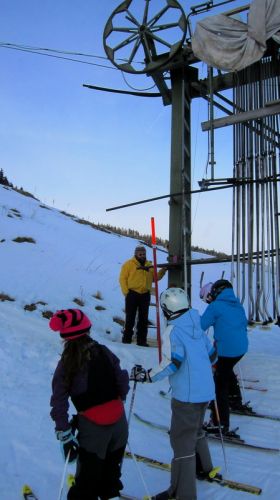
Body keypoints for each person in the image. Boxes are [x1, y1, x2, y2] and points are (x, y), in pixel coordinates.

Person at [130, 287, 219, 500]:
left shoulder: (173, 330)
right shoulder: (196, 324)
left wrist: (148, 376)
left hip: (187, 396)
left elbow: (172, 362)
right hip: (205, 391)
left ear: (167, 309)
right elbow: (212, 355)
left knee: (182, 443)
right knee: (196, 430)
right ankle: (206, 467)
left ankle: (184, 494)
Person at [49, 308, 129, 500]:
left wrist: (64, 431)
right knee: (110, 474)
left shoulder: (67, 363)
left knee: (87, 481)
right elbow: (122, 382)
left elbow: (59, 399)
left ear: (65, 336)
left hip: (94, 429)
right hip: (119, 424)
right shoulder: (103, 351)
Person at [200, 280, 249, 437]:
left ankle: (220, 423)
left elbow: (201, 325)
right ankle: (235, 400)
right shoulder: (237, 304)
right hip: (241, 349)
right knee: (226, 370)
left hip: (226, 350)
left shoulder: (215, 306)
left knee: (219, 385)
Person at [119, 245, 166, 346]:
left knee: (143, 319)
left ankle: (141, 341)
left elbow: (155, 278)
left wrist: (164, 270)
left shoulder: (149, 266)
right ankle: (126, 338)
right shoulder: (129, 264)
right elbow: (122, 278)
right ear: (135, 254)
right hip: (132, 293)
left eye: (144, 254)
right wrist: (126, 292)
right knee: (130, 317)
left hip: (145, 294)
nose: (142, 255)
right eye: (140, 254)